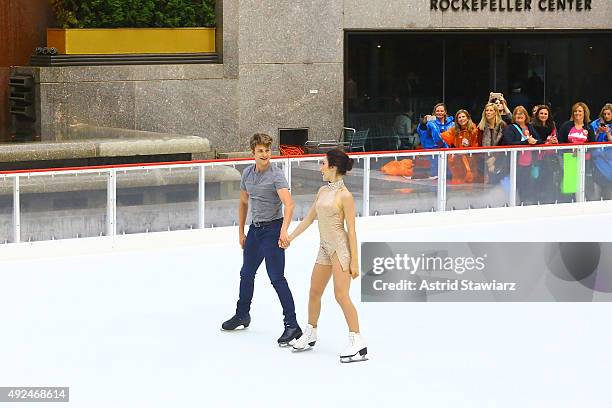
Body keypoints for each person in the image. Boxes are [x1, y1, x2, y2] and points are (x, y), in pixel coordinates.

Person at [285, 149, 367, 363]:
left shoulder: (345, 196)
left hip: (340, 251)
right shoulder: (322, 191)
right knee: (314, 291)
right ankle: (310, 332)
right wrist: (290, 237)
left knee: (341, 295)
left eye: (323, 163)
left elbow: (352, 229)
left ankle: (357, 341)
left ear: (333, 167)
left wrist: (355, 262)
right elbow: (310, 218)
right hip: (324, 248)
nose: (320, 167)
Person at [221, 133, 302, 347]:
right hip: (255, 231)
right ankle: (242, 315)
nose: (265, 154)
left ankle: (292, 324)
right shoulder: (247, 173)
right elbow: (243, 203)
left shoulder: (276, 176)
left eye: (267, 150)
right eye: (260, 151)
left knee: (276, 278)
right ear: (253, 153)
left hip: (273, 229)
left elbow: (290, 204)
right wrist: (241, 232)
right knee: (246, 274)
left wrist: (284, 232)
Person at [501, 106, 542, 204]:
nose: (519, 115)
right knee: (516, 184)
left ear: (525, 115)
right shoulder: (510, 128)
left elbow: (539, 140)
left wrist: (534, 142)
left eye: (521, 113)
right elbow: (510, 143)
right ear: (514, 116)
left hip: (529, 162)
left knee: (527, 184)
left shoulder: (529, 127)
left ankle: (525, 202)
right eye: (517, 113)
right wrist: (527, 142)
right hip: (515, 163)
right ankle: (513, 203)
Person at [441, 109, 481, 183]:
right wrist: (454, 147)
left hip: (471, 160)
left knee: (471, 181)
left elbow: (476, 145)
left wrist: (468, 147)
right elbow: (444, 136)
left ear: (468, 118)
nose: (461, 119)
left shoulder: (474, 130)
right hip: (458, 162)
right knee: (458, 182)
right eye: (459, 117)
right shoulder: (454, 130)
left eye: (463, 116)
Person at [416, 103, 454, 178]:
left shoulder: (452, 124)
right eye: (437, 111)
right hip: (434, 153)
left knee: (449, 177)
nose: (439, 113)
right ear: (434, 112)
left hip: (448, 153)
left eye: (441, 111)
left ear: (445, 112)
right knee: (436, 177)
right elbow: (423, 134)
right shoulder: (430, 123)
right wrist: (423, 124)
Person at [532, 105, 560, 204]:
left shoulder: (552, 125)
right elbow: (535, 140)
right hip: (537, 158)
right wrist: (546, 142)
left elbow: (555, 137)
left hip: (550, 156)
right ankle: (537, 199)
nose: (543, 115)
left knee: (549, 178)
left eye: (545, 113)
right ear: (537, 115)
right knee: (537, 178)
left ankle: (548, 199)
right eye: (541, 113)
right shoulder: (533, 125)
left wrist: (554, 140)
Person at [478, 103, 507, 183]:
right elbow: (479, 144)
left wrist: (494, 158)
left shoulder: (502, 125)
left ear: (495, 112)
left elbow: (504, 143)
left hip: (499, 158)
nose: (488, 112)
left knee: (498, 183)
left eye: (491, 110)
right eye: (487, 110)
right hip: (485, 160)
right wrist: (488, 161)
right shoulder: (481, 127)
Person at [590, 103, 612, 199]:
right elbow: (592, 140)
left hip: (609, 160)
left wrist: (607, 132)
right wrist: (598, 132)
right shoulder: (595, 124)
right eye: (604, 114)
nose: (606, 116)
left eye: (608, 114)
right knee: (597, 186)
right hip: (597, 160)